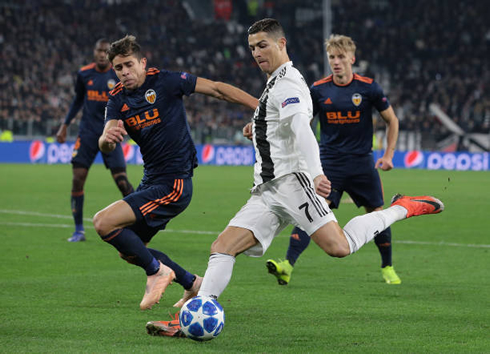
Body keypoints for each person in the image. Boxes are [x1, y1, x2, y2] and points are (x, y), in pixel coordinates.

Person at [147, 18, 444, 337]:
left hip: (293, 183)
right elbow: (281, 126)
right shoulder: (274, 83)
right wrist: (257, 129)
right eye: (252, 48)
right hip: (267, 191)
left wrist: (316, 173)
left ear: (281, 44)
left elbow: (302, 128)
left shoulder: (289, 83)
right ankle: (191, 318)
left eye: (263, 45)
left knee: (339, 247)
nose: (257, 53)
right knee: (223, 247)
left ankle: (403, 207)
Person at [93, 35, 258, 312]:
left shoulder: (167, 81)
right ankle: (191, 283)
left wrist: (257, 105)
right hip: (151, 180)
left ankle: (157, 272)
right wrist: (107, 139)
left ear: (143, 63)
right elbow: (105, 140)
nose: (124, 72)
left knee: (102, 223)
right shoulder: (117, 98)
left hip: (175, 183)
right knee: (130, 250)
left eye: (129, 65)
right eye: (118, 68)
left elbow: (216, 89)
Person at [266, 34, 402, 286]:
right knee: (314, 211)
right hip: (329, 165)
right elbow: (301, 122)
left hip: (362, 163)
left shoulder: (369, 87)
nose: (336, 62)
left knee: (376, 213)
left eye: (341, 57)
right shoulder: (318, 90)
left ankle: (387, 267)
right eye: (332, 57)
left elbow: (392, 120)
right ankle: (287, 265)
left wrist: (389, 155)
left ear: (352, 58)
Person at [56, 38, 134, 242]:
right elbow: (77, 101)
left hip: (111, 133)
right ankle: (79, 230)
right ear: (94, 52)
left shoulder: (117, 74)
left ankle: (140, 224)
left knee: (122, 182)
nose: (101, 54)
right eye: (98, 50)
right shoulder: (84, 73)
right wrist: (65, 125)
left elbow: (127, 101)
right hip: (88, 134)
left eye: (104, 51)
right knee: (77, 178)